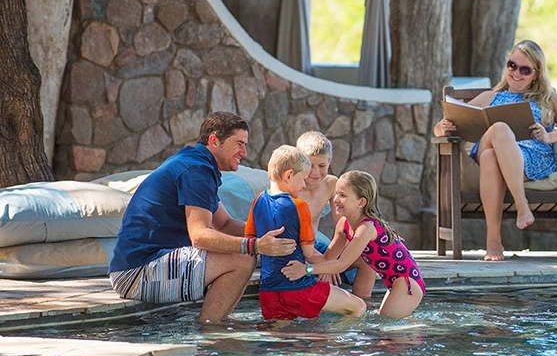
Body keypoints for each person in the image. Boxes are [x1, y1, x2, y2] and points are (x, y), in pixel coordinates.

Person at [108, 111, 297, 322]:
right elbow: (200, 236)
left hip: (144, 266)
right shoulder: (196, 170)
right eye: (239, 144)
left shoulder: (196, 164)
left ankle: (218, 322)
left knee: (245, 254)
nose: (244, 152)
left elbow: (225, 224)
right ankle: (209, 331)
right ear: (214, 140)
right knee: (243, 258)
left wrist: (274, 234)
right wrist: (256, 246)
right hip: (136, 273)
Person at [433, 39, 557, 261]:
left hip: (530, 160)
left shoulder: (548, 98)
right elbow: (439, 129)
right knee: (499, 129)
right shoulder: (489, 97)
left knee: (490, 156)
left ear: (536, 74)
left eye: (525, 70)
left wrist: (549, 135)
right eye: (512, 65)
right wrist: (443, 126)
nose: (516, 73)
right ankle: (521, 203)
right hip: (486, 149)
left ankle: (493, 243)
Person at [281, 170, 425, 319]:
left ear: (361, 202)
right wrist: (298, 247)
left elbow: (342, 264)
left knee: (385, 328)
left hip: (407, 283)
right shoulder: (344, 224)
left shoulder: (367, 228)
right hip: (395, 283)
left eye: (343, 195)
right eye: (336, 193)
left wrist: (306, 269)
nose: (336, 199)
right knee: (380, 325)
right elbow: (328, 259)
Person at [246, 145, 366, 320]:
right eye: (302, 178)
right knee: (358, 307)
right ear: (288, 176)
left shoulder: (257, 201)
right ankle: (334, 342)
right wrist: (328, 266)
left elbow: (249, 240)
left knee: (281, 339)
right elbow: (309, 254)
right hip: (299, 288)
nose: (303, 185)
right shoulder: (299, 206)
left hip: (268, 292)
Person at [295, 131, 376, 303]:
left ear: (330, 162)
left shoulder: (332, 184)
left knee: (367, 261)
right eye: (310, 165)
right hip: (296, 247)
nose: (315, 172)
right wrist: (324, 265)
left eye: (322, 165)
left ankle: (362, 306)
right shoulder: (292, 186)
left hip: (316, 247)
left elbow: (343, 228)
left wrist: (329, 263)